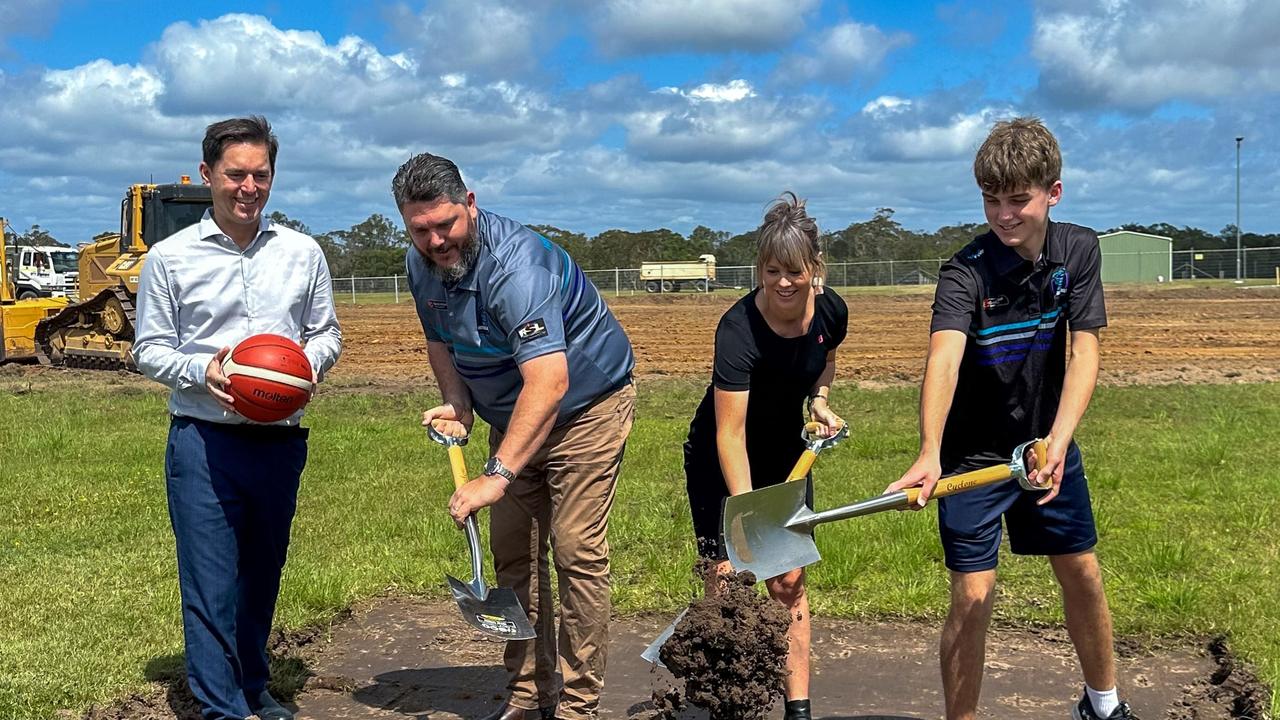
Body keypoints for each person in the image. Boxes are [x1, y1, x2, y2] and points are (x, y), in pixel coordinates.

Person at [884, 117, 1134, 720]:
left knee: (1081, 572)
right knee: (973, 595)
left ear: (1053, 191)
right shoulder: (963, 271)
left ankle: (1102, 705)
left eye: (1018, 199)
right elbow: (943, 358)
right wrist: (929, 451)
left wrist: (1057, 442)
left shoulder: (1078, 249)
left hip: (1046, 442)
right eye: (992, 201)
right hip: (974, 455)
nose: (1004, 215)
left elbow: (1085, 351)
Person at [393, 152, 636, 720]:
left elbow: (549, 383)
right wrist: (458, 402)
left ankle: (579, 707)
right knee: (513, 556)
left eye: (445, 224)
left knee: (576, 550)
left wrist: (496, 475)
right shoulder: (419, 262)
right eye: (420, 229)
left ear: (470, 205)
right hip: (515, 414)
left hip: (585, 409)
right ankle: (527, 696)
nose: (435, 240)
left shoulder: (519, 268)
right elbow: (438, 337)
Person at [133, 116, 342, 720]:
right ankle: (222, 707)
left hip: (279, 439)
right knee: (210, 579)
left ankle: (253, 686)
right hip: (203, 438)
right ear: (207, 176)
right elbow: (149, 348)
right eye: (235, 175)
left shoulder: (303, 252)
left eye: (260, 175)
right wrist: (207, 373)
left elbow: (326, 334)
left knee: (261, 572)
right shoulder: (170, 259)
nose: (248, 187)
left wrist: (303, 370)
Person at [683, 193, 847, 720]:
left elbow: (825, 359)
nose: (782, 282)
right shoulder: (737, 331)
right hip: (719, 459)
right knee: (726, 574)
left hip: (786, 459)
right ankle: (719, 701)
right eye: (771, 270)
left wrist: (819, 402)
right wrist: (748, 518)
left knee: (789, 579)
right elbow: (729, 435)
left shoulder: (831, 312)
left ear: (815, 270)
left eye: (794, 271)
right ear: (759, 268)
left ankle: (797, 710)